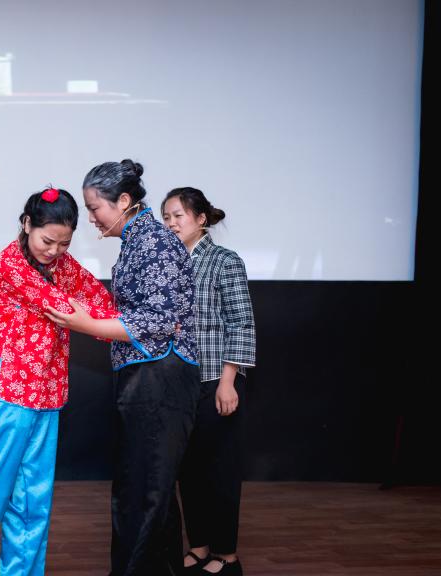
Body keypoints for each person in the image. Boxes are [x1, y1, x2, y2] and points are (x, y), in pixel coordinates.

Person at [0, 187, 119, 575]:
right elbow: (63, 307)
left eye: (64, 244)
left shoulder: (63, 265)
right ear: (26, 224)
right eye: (47, 240)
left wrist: (102, 318)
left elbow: (102, 304)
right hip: (7, 393)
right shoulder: (10, 263)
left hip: (48, 394)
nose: (54, 251)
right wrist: (85, 313)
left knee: (33, 501)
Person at [44, 160, 200, 576]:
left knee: (142, 492)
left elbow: (159, 319)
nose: (91, 217)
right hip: (150, 376)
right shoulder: (139, 241)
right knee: (152, 490)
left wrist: (87, 325)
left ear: (124, 201)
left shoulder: (155, 243)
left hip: (160, 377)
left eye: (95, 207)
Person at [162, 188, 255, 576]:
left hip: (216, 380)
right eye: (166, 217)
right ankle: (199, 547)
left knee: (220, 470)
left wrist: (228, 382)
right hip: (179, 382)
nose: (171, 223)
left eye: (178, 215)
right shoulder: (167, 262)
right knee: (187, 469)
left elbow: (241, 323)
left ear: (201, 219)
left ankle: (226, 555)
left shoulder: (224, 261)